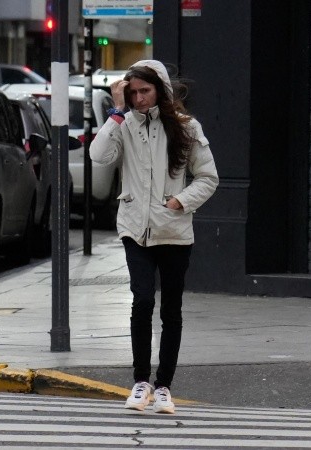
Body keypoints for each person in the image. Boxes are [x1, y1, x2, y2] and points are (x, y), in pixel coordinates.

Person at [90, 60, 219, 414]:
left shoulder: (187, 127)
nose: (138, 98)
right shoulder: (125, 123)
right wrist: (116, 111)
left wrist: (181, 201)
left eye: (144, 91)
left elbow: (208, 177)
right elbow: (98, 156)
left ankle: (163, 386)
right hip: (135, 229)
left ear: (160, 90)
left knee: (171, 311)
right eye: (132, 92)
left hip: (174, 231)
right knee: (142, 301)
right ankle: (140, 381)